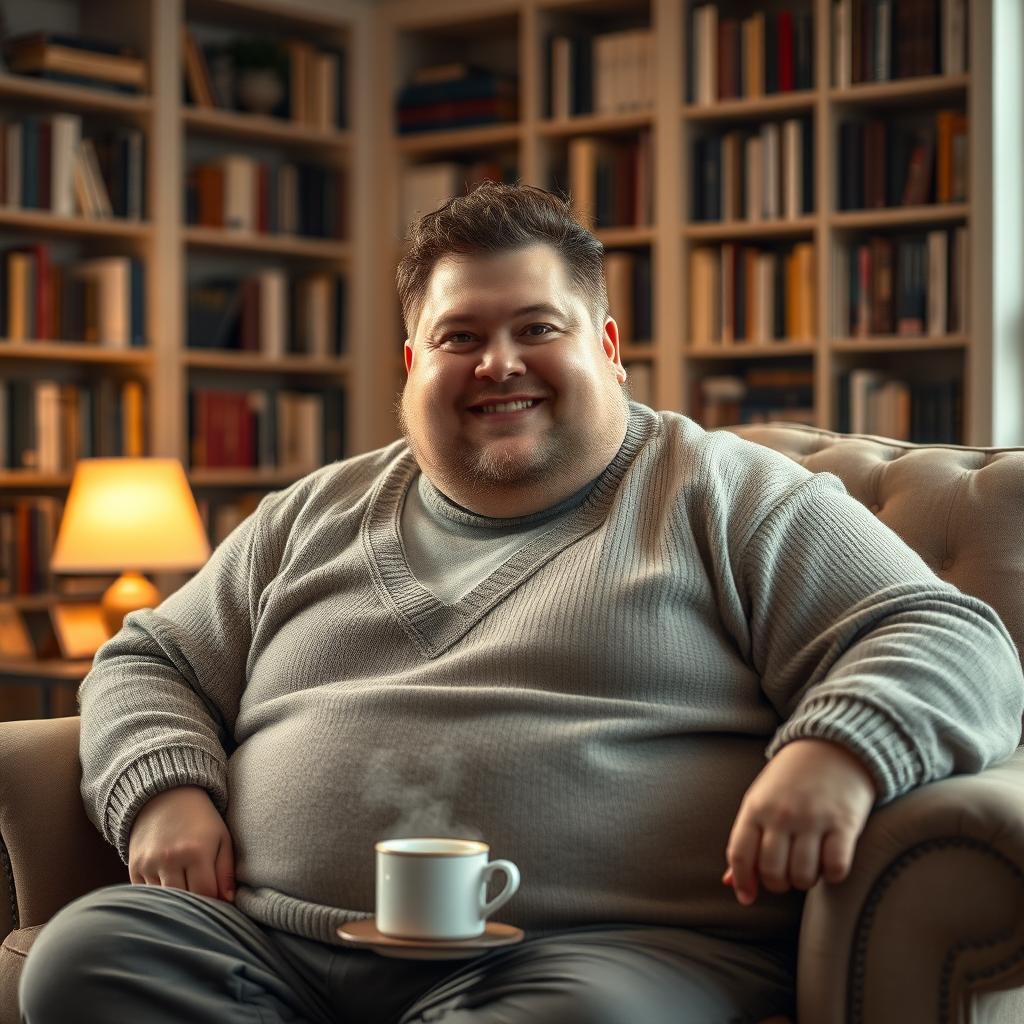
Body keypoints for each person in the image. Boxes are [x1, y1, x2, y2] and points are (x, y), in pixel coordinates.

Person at [19, 182, 1024, 1024]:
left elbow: (945, 633)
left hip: (595, 957)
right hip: (276, 950)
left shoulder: (727, 492)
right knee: (89, 956)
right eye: (459, 336)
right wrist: (166, 788)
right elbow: (148, 658)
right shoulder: (313, 512)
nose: (497, 362)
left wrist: (839, 749)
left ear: (608, 345)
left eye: (536, 328)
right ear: (414, 364)